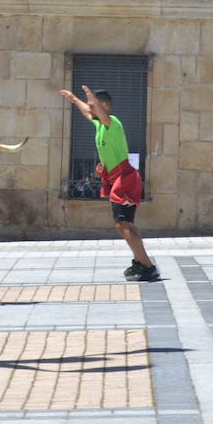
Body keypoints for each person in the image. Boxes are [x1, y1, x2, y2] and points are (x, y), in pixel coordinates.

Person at [59, 85, 161, 282]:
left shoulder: (113, 123)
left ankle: (147, 266)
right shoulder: (99, 126)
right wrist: (74, 99)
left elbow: (101, 115)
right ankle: (141, 262)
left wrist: (91, 98)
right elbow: (88, 113)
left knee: (122, 224)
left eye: (93, 105)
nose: (90, 109)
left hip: (126, 180)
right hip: (119, 180)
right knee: (126, 224)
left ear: (104, 106)